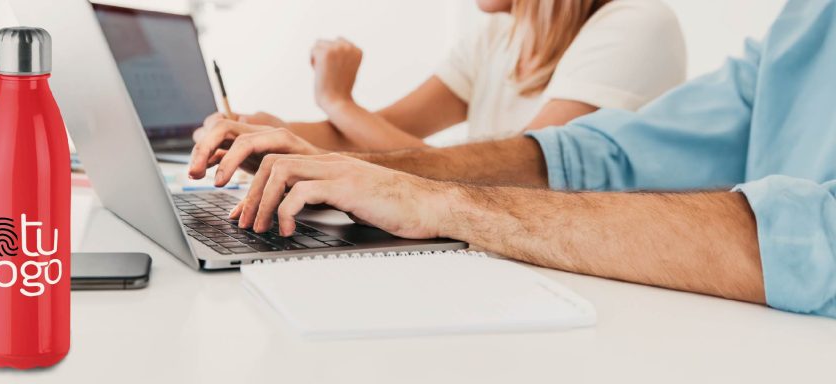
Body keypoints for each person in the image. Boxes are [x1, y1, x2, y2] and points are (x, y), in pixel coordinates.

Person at [188, 0, 836, 318]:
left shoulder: (637, 24)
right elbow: (593, 157)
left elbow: (815, 241)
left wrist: (443, 201)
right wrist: (295, 145)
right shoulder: (805, 21)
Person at [203, 0, 686, 152]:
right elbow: (374, 138)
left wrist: (339, 102)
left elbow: (517, 176)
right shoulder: (496, 35)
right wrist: (269, 133)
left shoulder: (636, 25)